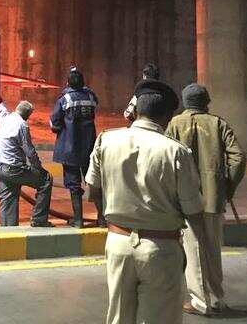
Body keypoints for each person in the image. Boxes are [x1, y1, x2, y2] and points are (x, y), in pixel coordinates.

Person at [86, 80, 206, 324]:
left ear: (137, 110)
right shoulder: (176, 152)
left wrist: (108, 219)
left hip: (117, 242)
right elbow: (193, 210)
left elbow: (93, 190)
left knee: (119, 316)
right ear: (167, 117)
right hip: (161, 248)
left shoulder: (105, 141)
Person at [165, 83, 247, 317]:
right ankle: (217, 298)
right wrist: (227, 187)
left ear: (184, 102)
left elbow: (167, 158)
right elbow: (238, 158)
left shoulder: (174, 124)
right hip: (213, 199)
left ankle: (201, 302)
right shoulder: (218, 123)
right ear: (206, 102)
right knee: (212, 249)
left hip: (186, 200)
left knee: (194, 250)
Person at [49, 66, 98, 227]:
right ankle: (103, 219)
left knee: (73, 184)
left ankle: (78, 220)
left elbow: (55, 122)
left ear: (68, 83)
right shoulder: (91, 96)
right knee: (94, 181)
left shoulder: (65, 99)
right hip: (89, 147)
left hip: (70, 149)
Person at [0, 100, 53, 227]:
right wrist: (38, 168)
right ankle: (39, 220)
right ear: (28, 114)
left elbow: (1, 107)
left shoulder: (4, 118)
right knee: (46, 180)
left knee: (8, 198)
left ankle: (7, 229)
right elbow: (30, 151)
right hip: (13, 169)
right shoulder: (22, 125)